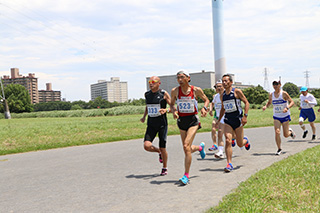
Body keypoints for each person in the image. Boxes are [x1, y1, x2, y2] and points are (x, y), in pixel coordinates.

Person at [170, 70, 210, 185]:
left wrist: (204, 108)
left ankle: (186, 175)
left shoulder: (196, 90)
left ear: (188, 78)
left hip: (193, 120)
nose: (180, 80)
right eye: (178, 78)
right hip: (181, 121)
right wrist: (174, 111)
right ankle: (199, 148)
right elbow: (172, 104)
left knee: (186, 145)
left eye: (182, 77)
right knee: (186, 149)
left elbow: (206, 100)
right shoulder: (175, 91)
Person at [216, 74, 251, 173]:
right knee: (228, 140)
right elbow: (223, 108)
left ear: (231, 82)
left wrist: (245, 116)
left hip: (238, 120)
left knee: (240, 144)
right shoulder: (223, 95)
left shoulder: (237, 92)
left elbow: (246, 103)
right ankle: (229, 163)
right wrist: (219, 120)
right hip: (228, 120)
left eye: (226, 81)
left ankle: (245, 141)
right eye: (223, 81)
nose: (224, 83)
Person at [140, 76, 171, 176]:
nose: (151, 83)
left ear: (159, 83)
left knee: (163, 147)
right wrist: (144, 116)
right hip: (151, 123)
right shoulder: (147, 94)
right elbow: (148, 106)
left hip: (162, 124)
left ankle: (164, 167)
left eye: (153, 82)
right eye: (150, 82)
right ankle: (159, 152)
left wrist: (166, 110)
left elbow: (172, 106)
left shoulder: (163, 94)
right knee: (146, 146)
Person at [262, 80, 296, 156]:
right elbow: (269, 102)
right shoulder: (271, 94)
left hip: (285, 116)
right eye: (273, 84)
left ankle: (290, 132)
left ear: (280, 85)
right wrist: (265, 106)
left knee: (285, 135)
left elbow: (292, 102)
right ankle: (279, 149)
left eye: (277, 84)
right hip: (276, 116)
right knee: (277, 132)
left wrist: (287, 108)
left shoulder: (283, 93)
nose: (275, 86)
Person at [209, 80, 225, 158]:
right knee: (216, 129)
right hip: (218, 116)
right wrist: (210, 109)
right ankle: (216, 146)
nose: (218, 88)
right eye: (216, 87)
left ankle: (240, 139)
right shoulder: (215, 96)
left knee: (230, 135)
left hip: (226, 116)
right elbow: (212, 103)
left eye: (219, 86)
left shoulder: (226, 95)